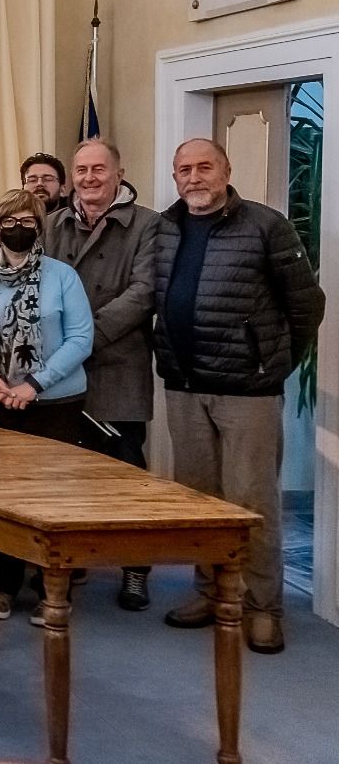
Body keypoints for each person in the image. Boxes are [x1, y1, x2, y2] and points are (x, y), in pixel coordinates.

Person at [154, 138, 324, 655]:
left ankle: (263, 608)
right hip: (184, 387)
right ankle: (211, 593)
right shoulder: (165, 227)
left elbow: (306, 306)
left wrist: (270, 364)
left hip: (247, 392)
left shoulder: (266, 225)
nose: (195, 177)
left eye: (205, 166)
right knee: (200, 503)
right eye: (185, 168)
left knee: (252, 503)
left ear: (227, 170)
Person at [0, 189, 93, 624]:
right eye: (10, 221)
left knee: (51, 500)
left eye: (28, 221)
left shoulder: (62, 275)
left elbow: (80, 339)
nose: (18, 228)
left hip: (53, 403)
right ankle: (1, 584)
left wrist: (33, 383)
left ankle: (52, 591)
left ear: (39, 227)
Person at [43, 138, 162, 612]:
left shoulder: (149, 224)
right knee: (64, 471)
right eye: (81, 170)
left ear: (119, 173)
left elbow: (144, 290)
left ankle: (135, 567)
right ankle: (70, 559)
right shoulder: (53, 223)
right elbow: (38, 281)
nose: (89, 178)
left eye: (99, 169)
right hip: (58, 374)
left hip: (117, 366)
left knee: (127, 471)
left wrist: (81, 338)